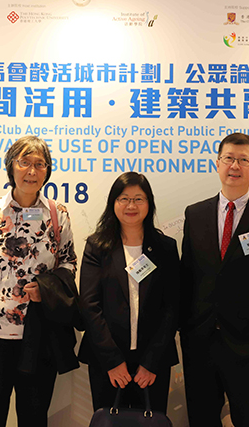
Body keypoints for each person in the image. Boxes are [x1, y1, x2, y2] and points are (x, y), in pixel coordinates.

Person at [0, 135, 80, 427]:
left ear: (47, 171)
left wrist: (46, 289)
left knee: (34, 417)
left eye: (39, 164)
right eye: (24, 162)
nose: (31, 170)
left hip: (38, 332)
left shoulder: (57, 214)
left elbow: (68, 262)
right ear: (11, 167)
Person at [179, 133, 249, 426]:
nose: (235, 166)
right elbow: (188, 276)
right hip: (201, 343)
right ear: (217, 163)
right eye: (228, 158)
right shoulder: (195, 214)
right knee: (202, 419)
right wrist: (186, 331)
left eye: (244, 160)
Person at [79, 172, 179, 413]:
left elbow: (173, 306)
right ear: (113, 203)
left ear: (149, 203)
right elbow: (90, 306)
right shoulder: (97, 246)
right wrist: (113, 361)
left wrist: (151, 362)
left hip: (152, 363)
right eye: (123, 198)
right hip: (108, 362)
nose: (131, 205)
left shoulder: (166, 248)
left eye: (139, 199)